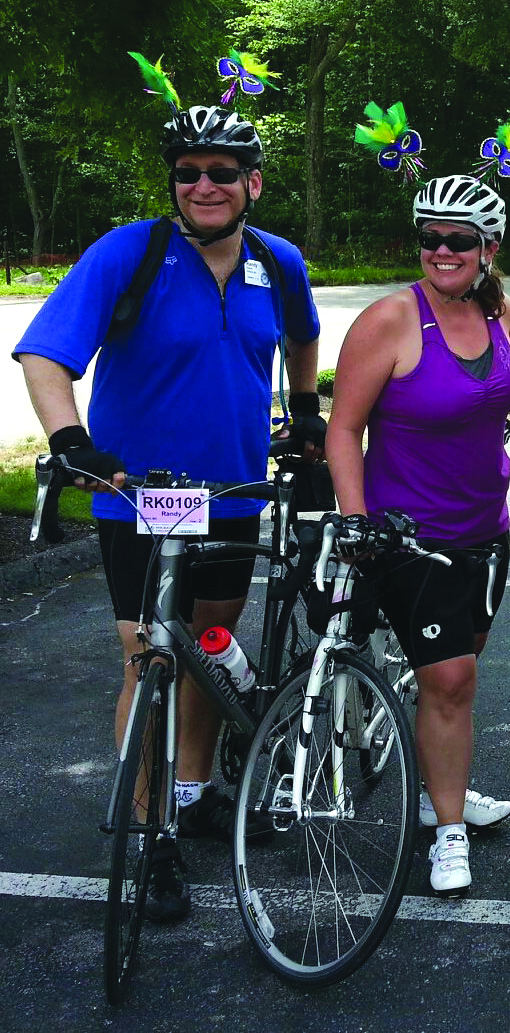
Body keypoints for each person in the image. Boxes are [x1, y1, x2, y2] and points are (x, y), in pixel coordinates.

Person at [13, 102, 323, 923]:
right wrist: (72, 438)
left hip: (232, 492)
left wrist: (303, 411)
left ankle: (191, 789)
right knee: (149, 655)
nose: (204, 185)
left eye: (222, 171)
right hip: (141, 494)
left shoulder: (277, 261)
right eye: (188, 171)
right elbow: (45, 354)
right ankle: (149, 836)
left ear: (251, 182)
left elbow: (301, 335)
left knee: (207, 647)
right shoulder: (130, 252)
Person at [325, 173, 510, 896]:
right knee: (450, 679)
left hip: (486, 530)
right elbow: (343, 429)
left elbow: (508, 388)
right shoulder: (390, 320)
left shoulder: (503, 317)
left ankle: (442, 783)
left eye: (458, 240)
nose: (441, 251)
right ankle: (445, 831)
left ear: (488, 248)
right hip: (409, 536)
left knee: (454, 678)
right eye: (429, 238)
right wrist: (356, 521)